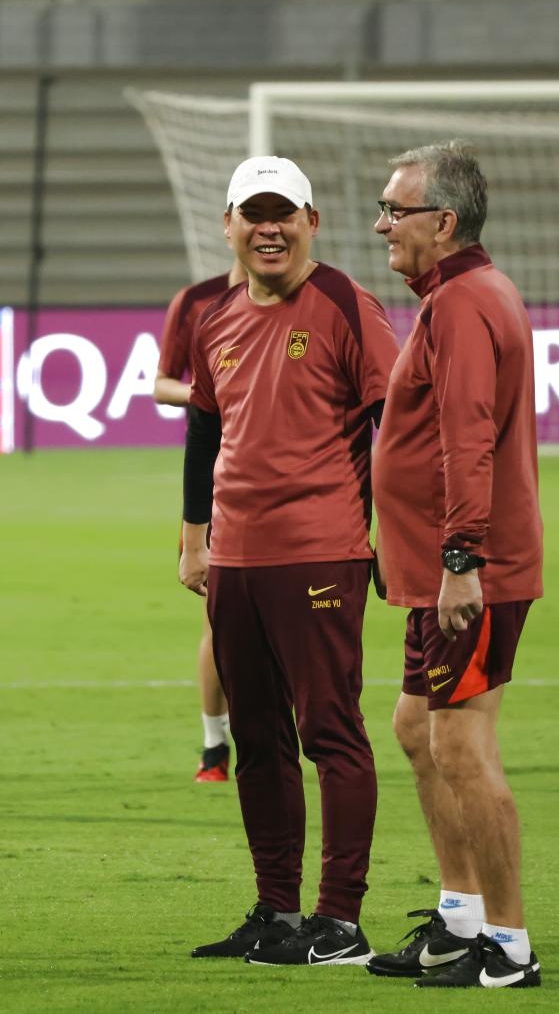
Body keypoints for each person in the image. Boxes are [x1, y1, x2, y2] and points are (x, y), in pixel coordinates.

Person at [179, 155, 399, 965]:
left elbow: (393, 421)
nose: (268, 228)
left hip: (320, 551)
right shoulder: (214, 318)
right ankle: (277, 910)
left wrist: (396, 534)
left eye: (284, 213)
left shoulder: (346, 302)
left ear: (312, 221)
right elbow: (205, 428)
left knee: (330, 731)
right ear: (229, 226)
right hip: (236, 560)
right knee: (258, 738)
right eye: (254, 214)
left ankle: (339, 920)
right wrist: (193, 536)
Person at [369, 141, 543, 989]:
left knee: (461, 746)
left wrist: (462, 558)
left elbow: (467, 436)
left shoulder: (465, 303)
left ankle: (508, 946)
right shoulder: (464, 294)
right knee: (416, 728)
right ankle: (460, 919)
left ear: (443, 222)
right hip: (443, 567)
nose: (382, 225)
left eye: (394, 210)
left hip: (472, 572)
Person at [154, 260, 246, 782]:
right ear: (229, 226)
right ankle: (215, 743)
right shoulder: (196, 302)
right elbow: (162, 383)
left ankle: (282, 736)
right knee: (220, 620)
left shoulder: (313, 301)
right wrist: (214, 394)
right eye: (252, 219)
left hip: (290, 490)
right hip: (217, 482)